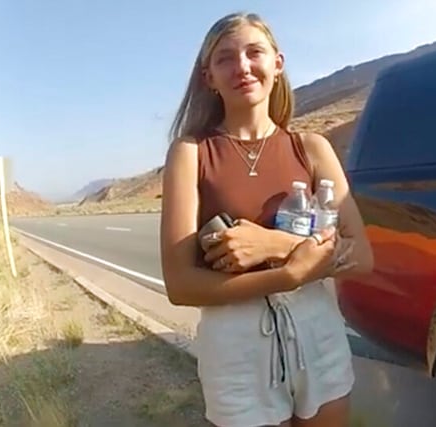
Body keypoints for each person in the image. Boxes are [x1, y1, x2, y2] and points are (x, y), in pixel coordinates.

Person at [158, 11, 374, 427]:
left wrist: (276, 245)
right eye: (225, 58)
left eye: (254, 52)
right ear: (208, 77)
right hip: (236, 351)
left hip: (319, 338)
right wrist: (288, 275)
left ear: (277, 63)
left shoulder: (312, 148)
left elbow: (361, 255)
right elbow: (180, 285)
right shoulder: (190, 153)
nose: (242, 66)